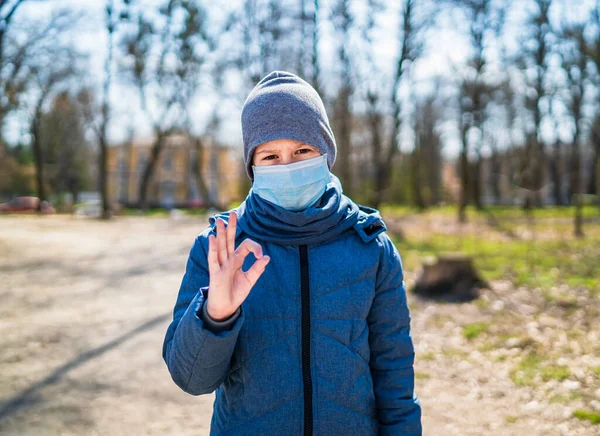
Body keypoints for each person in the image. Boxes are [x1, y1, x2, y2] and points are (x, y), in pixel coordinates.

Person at [162, 70, 422, 435]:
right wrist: (214, 314)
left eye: (302, 150)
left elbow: (394, 371)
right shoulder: (219, 245)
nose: (288, 166)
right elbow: (192, 379)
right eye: (270, 156)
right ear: (252, 166)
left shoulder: (371, 247)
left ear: (326, 153)